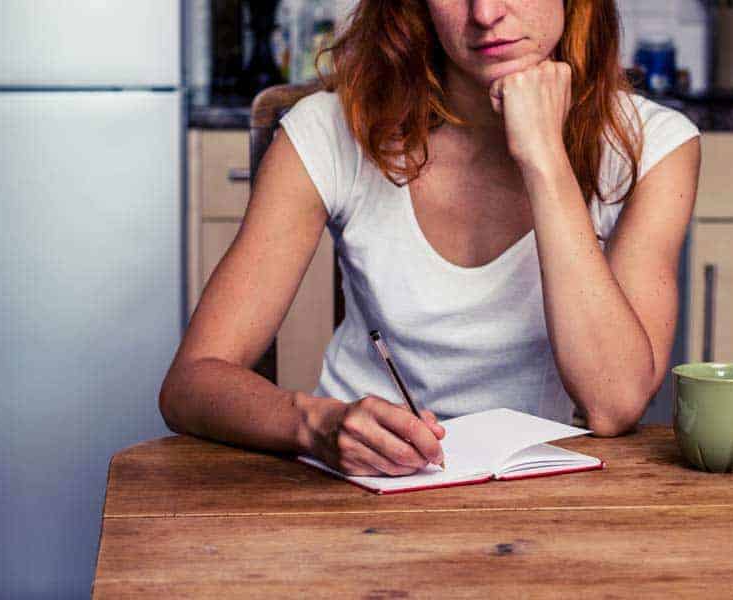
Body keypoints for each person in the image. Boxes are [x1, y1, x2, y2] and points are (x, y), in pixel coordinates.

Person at [159, 0, 701, 478]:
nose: (486, 13)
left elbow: (614, 403)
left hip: (542, 492)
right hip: (356, 492)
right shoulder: (330, 128)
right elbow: (191, 384)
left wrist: (543, 157)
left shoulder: (651, 144)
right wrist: (320, 426)